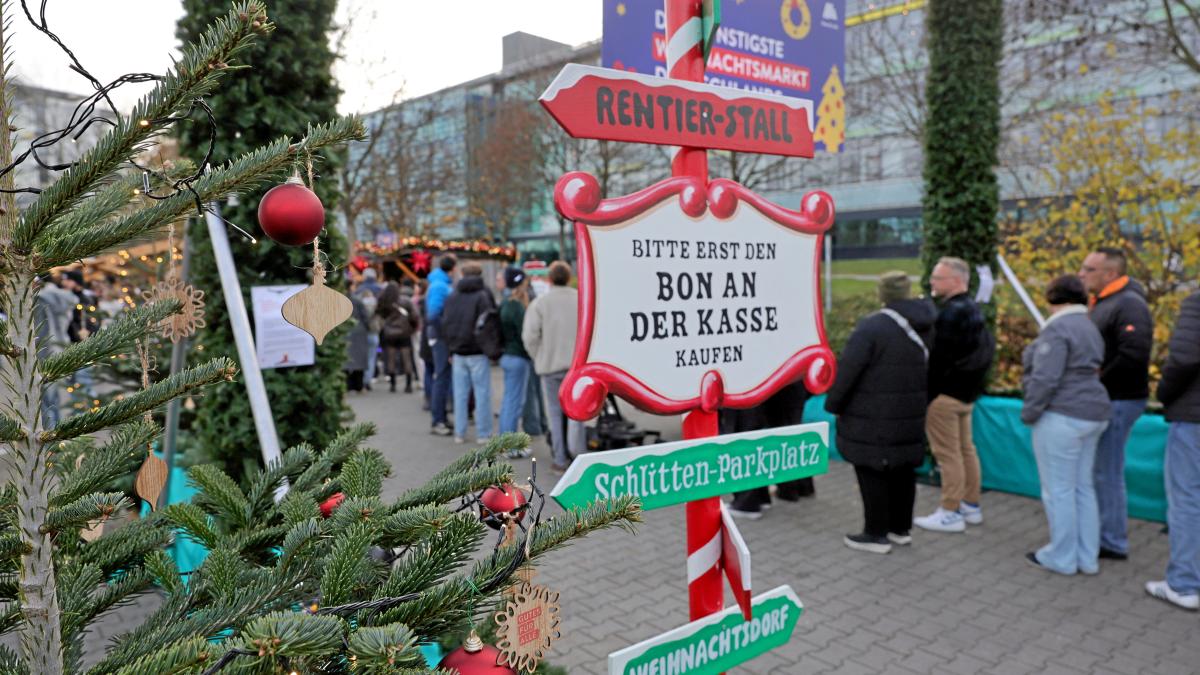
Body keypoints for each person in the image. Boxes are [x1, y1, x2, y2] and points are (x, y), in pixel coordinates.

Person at [825, 271, 934, 554]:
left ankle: (875, 534)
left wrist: (833, 404)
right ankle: (900, 529)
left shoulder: (872, 326)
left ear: (882, 294)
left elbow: (849, 370)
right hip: (910, 412)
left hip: (873, 413)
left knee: (871, 468)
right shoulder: (926, 323)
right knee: (903, 469)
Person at [1021, 275, 1111, 575]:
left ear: (1052, 299)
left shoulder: (1057, 329)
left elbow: (1046, 378)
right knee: (1082, 487)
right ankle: (1087, 557)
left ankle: (1061, 557)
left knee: (1058, 490)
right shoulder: (1090, 326)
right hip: (1094, 413)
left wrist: (1030, 412)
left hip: (1062, 415)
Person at [1079, 247, 1152, 560]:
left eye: (1088, 269)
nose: (1081, 274)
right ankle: (1106, 532)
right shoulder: (1106, 302)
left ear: (1110, 274)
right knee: (1102, 469)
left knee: (1107, 471)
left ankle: (1112, 540)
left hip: (1119, 400)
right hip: (1110, 397)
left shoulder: (1128, 304)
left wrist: (1099, 380)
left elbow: (1134, 353)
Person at [915, 257, 994, 533]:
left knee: (948, 454)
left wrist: (929, 395)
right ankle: (970, 505)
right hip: (966, 395)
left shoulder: (949, 314)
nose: (932, 282)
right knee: (965, 449)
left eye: (938, 277)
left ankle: (949, 511)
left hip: (945, 397)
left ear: (957, 281)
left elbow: (937, 361)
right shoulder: (972, 309)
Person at [1146, 289, 1200, 610]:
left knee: (1187, 498)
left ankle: (1184, 583)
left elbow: (1184, 357)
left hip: (1194, 417)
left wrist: (1165, 394)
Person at [523, 261, 584, 471]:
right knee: (577, 414)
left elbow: (529, 336)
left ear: (549, 279)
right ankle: (578, 455)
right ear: (569, 277)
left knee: (555, 414)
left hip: (550, 366)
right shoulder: (581, 299)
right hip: (577, 367)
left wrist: (539, 357)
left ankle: (560, 458)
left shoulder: (540, 303)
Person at [724, 380, 815, 519]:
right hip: (782, 384)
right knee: (781, 432)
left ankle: (749, 502)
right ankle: (765, 495)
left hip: (748, 387)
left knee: (746, 435)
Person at [440, 262, 496, 443]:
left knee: (460, 394)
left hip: (458, 351)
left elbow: (445, 323)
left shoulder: (452, 296)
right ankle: (483, 433)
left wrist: (450, 347)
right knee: (482, 393)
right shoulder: (483, 296)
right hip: (478, 351)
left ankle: (460, 432)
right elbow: (488, 324)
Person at [498, 267, 534, 458]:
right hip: (518, 357)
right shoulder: (516, 306)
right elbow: (525, 335)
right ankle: (511, 447)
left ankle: (504, 444)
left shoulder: (505, 303)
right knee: (514, 403)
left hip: (508, 355)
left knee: (508, 402)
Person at [426, 255, 458, 436]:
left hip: (439, 338)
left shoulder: (438, 283)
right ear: (452, 269)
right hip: (441, 339)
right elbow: (433, 315)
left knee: (443, 377)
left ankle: (441, 418)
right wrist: (445, 335)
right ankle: (438, 420)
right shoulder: (440, 286)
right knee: (442, 377)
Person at [376, 277, 417, 393]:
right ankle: (408, 385)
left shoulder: (383, 301)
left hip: (389, 333)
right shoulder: (405, 301)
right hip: (404, 333)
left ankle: (393, 384)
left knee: (391, 358)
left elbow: (378, 315)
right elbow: (414, 316)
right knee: (406, 358)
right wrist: (412, 328)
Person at [354, 267, 384, 387]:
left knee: (362, 354)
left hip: (361, 330)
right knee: (374, 353)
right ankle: (370, 378)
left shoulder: (359, 291)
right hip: (375, 329)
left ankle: (361, 379)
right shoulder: (380, 290)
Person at [344, 281, 371, 393]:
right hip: (359, 332)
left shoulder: (336, 301)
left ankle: (347, 385)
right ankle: (359, 386)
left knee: (345, 360)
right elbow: (366, 317)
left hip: (344, 332)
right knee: (359, 360)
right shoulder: (357, 301)